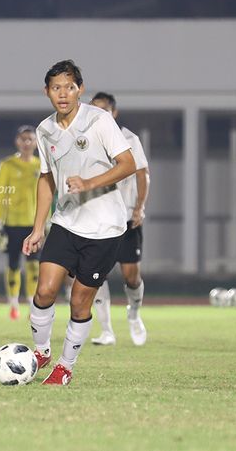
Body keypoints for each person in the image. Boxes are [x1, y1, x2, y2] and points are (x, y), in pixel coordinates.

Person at [22, 60, 137, 385]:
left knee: (79, 300)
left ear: (79, 89)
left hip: (105, 229)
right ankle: (42, 351)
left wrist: (90, 183)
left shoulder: (98, 121)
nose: (62, 93)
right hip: (66, 222)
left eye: (68, 87)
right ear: (47, 92)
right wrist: (37, 228)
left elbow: (127, 164)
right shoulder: (44, 130)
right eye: (55, 87)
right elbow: (46, 180)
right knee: (44, 291)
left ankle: (65, 366)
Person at [86, 92, 150, 347]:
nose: (99, 115)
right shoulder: (87, 140)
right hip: (97, 219)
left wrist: (139, 208)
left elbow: (142, 173)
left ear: (114, 113)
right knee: (96, 276)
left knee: (131, 276)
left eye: (104, 110)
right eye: (95, 110)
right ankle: (107, 330)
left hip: (125, 218)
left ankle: (133, 314)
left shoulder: (128, 139)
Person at [0, 125, 41, 320]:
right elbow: (0, 194)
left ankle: (32, 304)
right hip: (12, 223)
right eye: (23, 139)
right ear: (17, 142)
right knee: (13, 265)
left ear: (36, 143)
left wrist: (46, 223)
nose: (27, 143)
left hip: (34, 225)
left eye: (30, 139)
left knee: (34, 265)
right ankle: (13, 304)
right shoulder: (7, 165)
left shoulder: (41, 166)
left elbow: (48, 196)